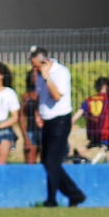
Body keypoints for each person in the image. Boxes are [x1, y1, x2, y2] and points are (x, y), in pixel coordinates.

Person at [30, 47, 85, 207]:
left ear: (45, 62)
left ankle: (51, 200)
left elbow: (56, 96)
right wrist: (37, 114)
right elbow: (40, 97)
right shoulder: (40, 75)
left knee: (52, 162)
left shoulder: (60, 73)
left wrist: (47, 77)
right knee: (47, 162)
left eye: (36, 66)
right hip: (47, 121)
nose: (34, 70)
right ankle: (75, 194)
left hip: (60, 121)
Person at [77, 76, 109, 153]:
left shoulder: (90, 99)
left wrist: (71, 121)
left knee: (93, 143)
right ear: (105, 86)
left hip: (93, 135)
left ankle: (80, 152)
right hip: (105, 135)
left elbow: (79, 113)